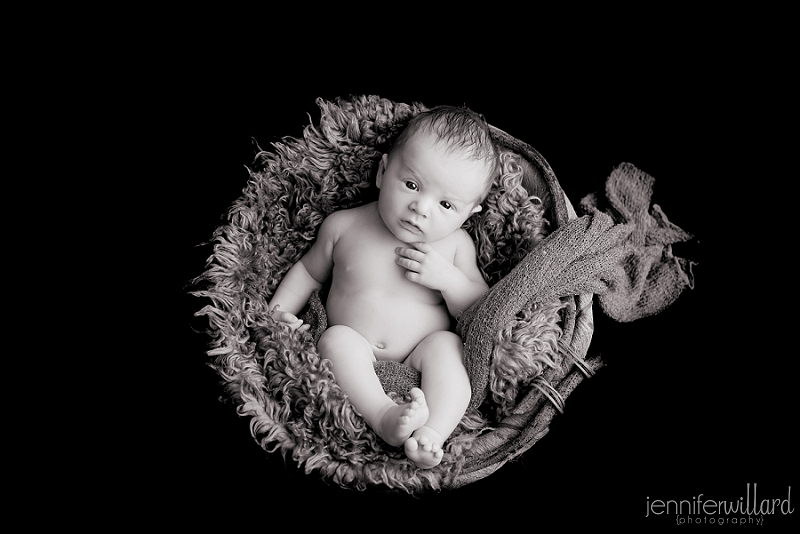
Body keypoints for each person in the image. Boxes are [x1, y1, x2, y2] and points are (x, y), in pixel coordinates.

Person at [267, 106, 498, 469]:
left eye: (445, 204)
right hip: (354, 358)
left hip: (420, 363)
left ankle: (432, 433)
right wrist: (279, 312)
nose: (421, 208)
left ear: (469, 214)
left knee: (448, 347)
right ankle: (383, 415)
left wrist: (450, 281)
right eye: (411, 185)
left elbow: (482, 310)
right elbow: (308, 273)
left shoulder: (455, 248)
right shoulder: (343, 226)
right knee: (335, 340)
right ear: (382, 171)